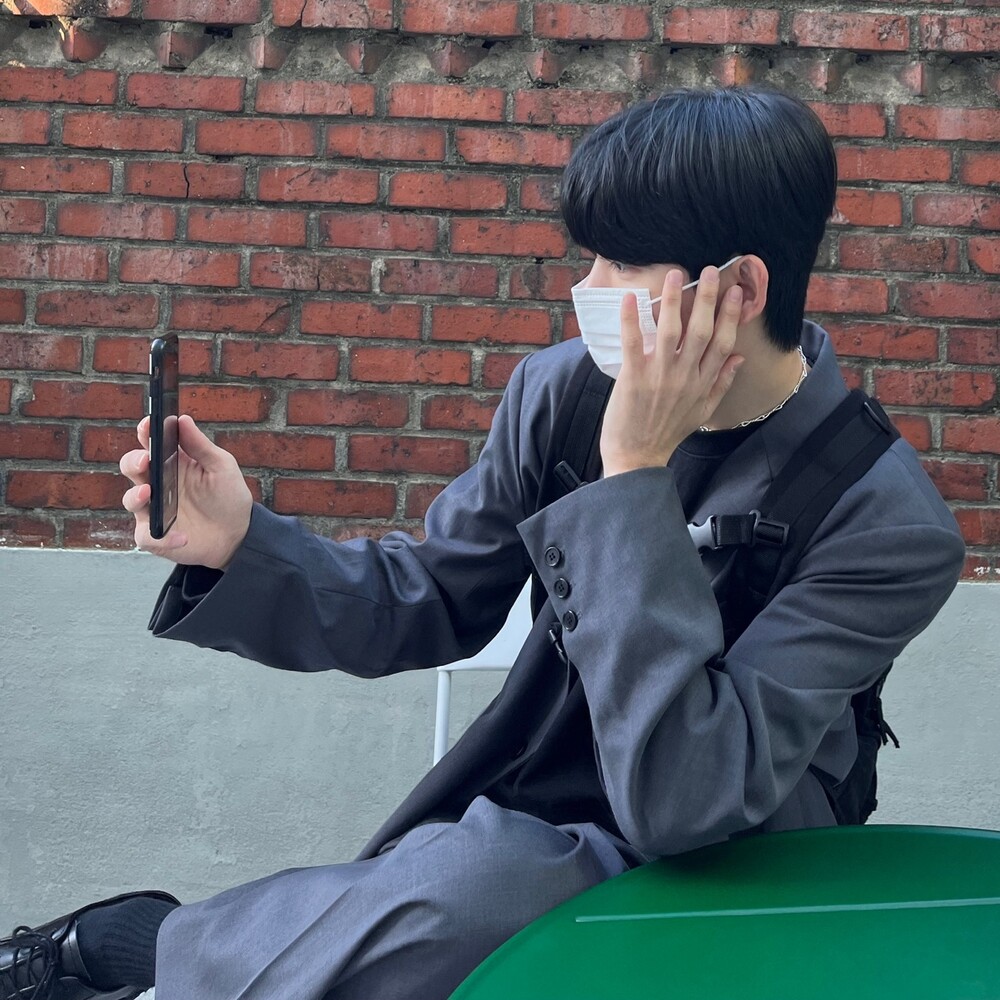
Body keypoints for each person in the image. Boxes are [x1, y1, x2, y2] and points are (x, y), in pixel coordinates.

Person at [2, 85, 965, 1000]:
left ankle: (145, 945)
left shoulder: (884, 520)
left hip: (733, 842)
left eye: (622, 265)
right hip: (542, 798)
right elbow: (434, 595)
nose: (588, 290)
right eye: (589, 257)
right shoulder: (563, 393)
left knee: (473, 892)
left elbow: (690, 796)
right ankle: (153, 944)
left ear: (740, 288)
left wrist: (632, 476)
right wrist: (242, 542)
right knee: (466, 883)